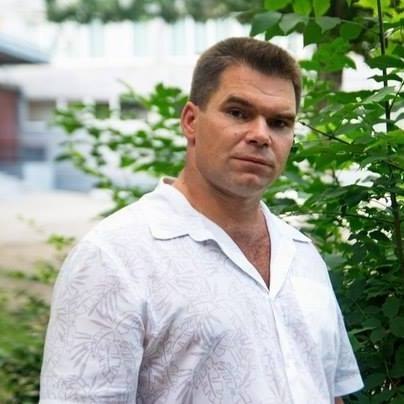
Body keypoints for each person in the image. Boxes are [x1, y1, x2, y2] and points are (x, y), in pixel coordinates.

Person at [40, 37, 363, 404]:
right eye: (238, 113)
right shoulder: (115, 258)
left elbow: (328, 391)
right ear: (191, 121)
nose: (261, 135)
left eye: (279, 122)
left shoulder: (303, 255)